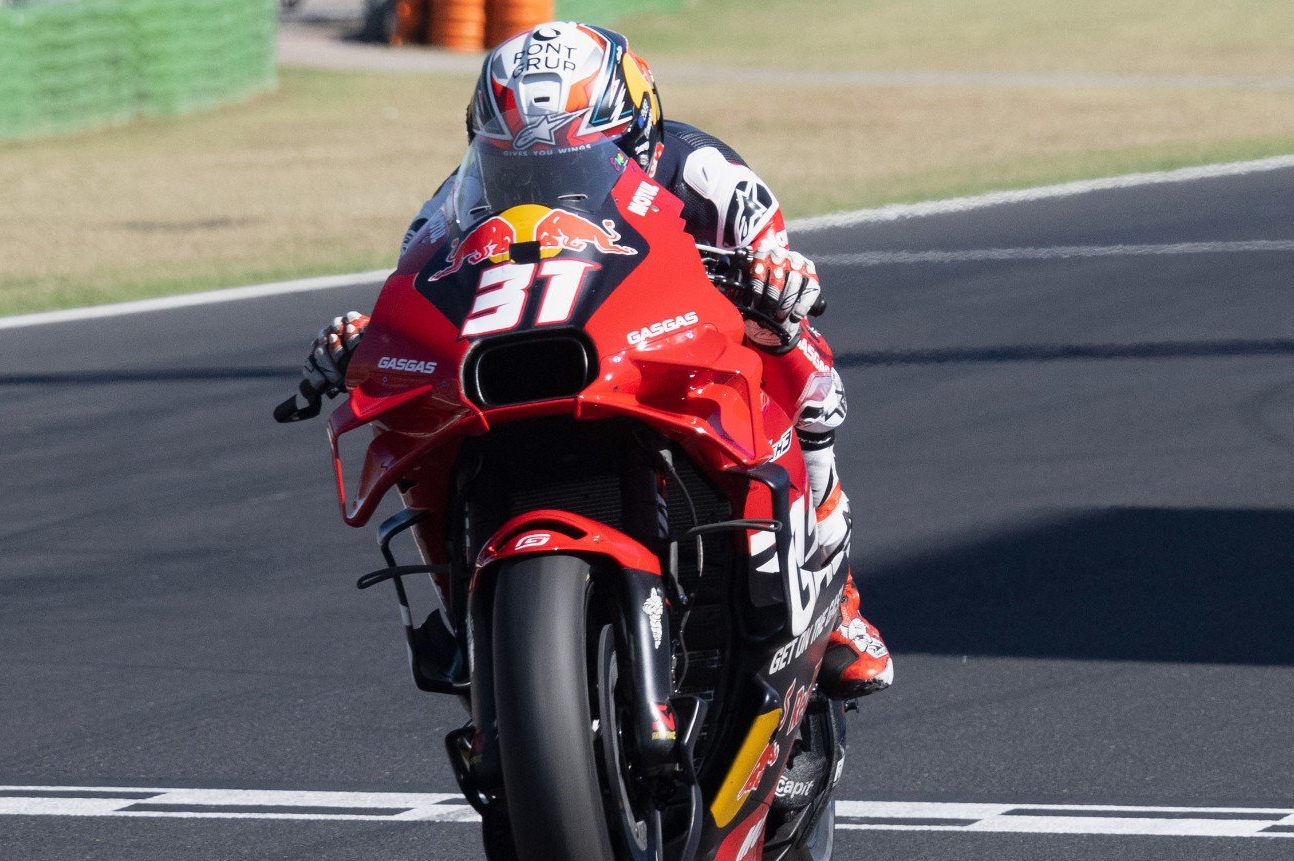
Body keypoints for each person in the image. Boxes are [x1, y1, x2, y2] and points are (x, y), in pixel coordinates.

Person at [299, 20, 890, 697]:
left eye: (575, 158)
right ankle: (465, 609)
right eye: (516, 163)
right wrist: (371, 336)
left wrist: (775, 280)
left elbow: (775, 260)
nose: (541, 175)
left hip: (671, 344)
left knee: (808, 374)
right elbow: (424, 281)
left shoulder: (706, 173)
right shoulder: (450, 199)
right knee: (414, 414)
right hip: (535, 348)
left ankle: (836, 601)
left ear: (633, 132)